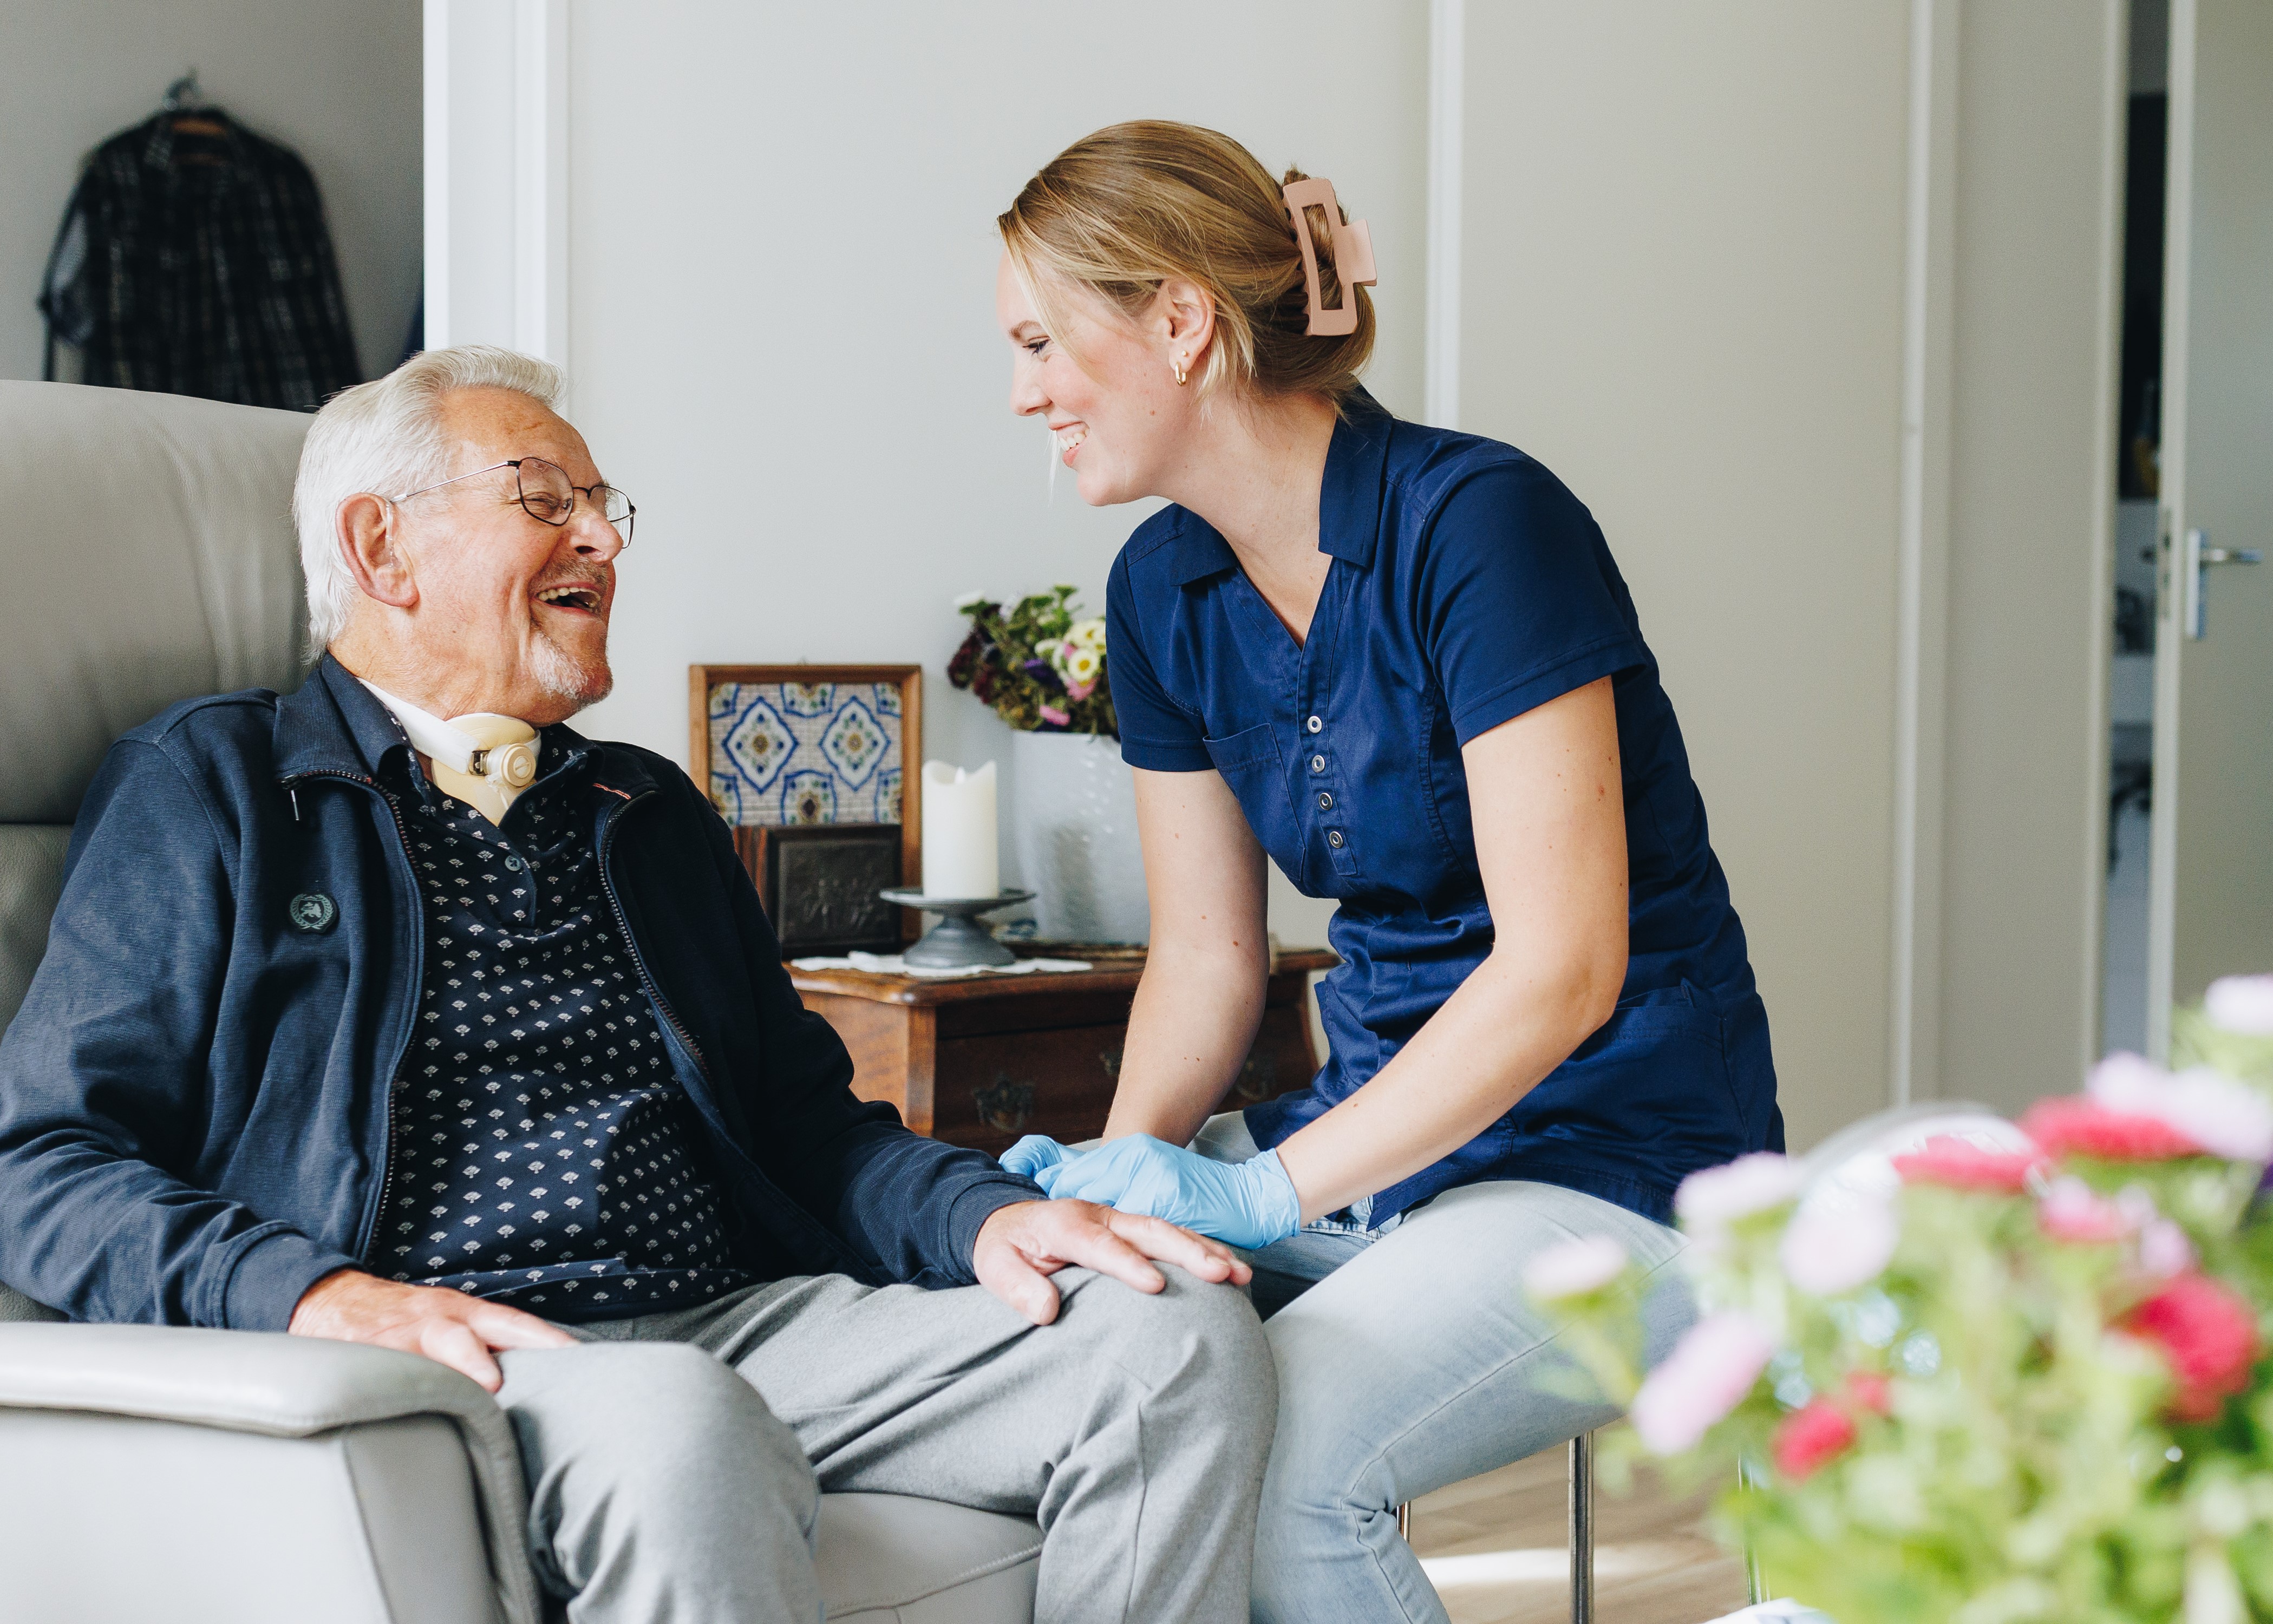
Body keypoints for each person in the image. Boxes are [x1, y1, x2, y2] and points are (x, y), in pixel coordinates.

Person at [0, 344, 1276, 1624]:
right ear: (383, 550)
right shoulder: (211, 785)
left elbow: (809, 1129)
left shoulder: (645, 809)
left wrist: (985, 1216)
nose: (603, 541)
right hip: (469, 1351)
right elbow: (39, 1159)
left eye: (605, 509)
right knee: (682, 1423)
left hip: (741, 1322)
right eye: (545, 499)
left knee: (1172, 1333)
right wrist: (310, 1294)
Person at [991, 122, 1781, 1623]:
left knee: (1294, 1484)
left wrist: (1264, 1190)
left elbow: (1564, 967)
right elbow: (1209, 959)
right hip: (1370, 1157)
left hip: (1607, 1165)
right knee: (1096, 1390)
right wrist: (1123, 1184)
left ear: (1179, 320)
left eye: (1041, 339)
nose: (1021, 390)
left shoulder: (1480, 525)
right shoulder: (1163, 585)